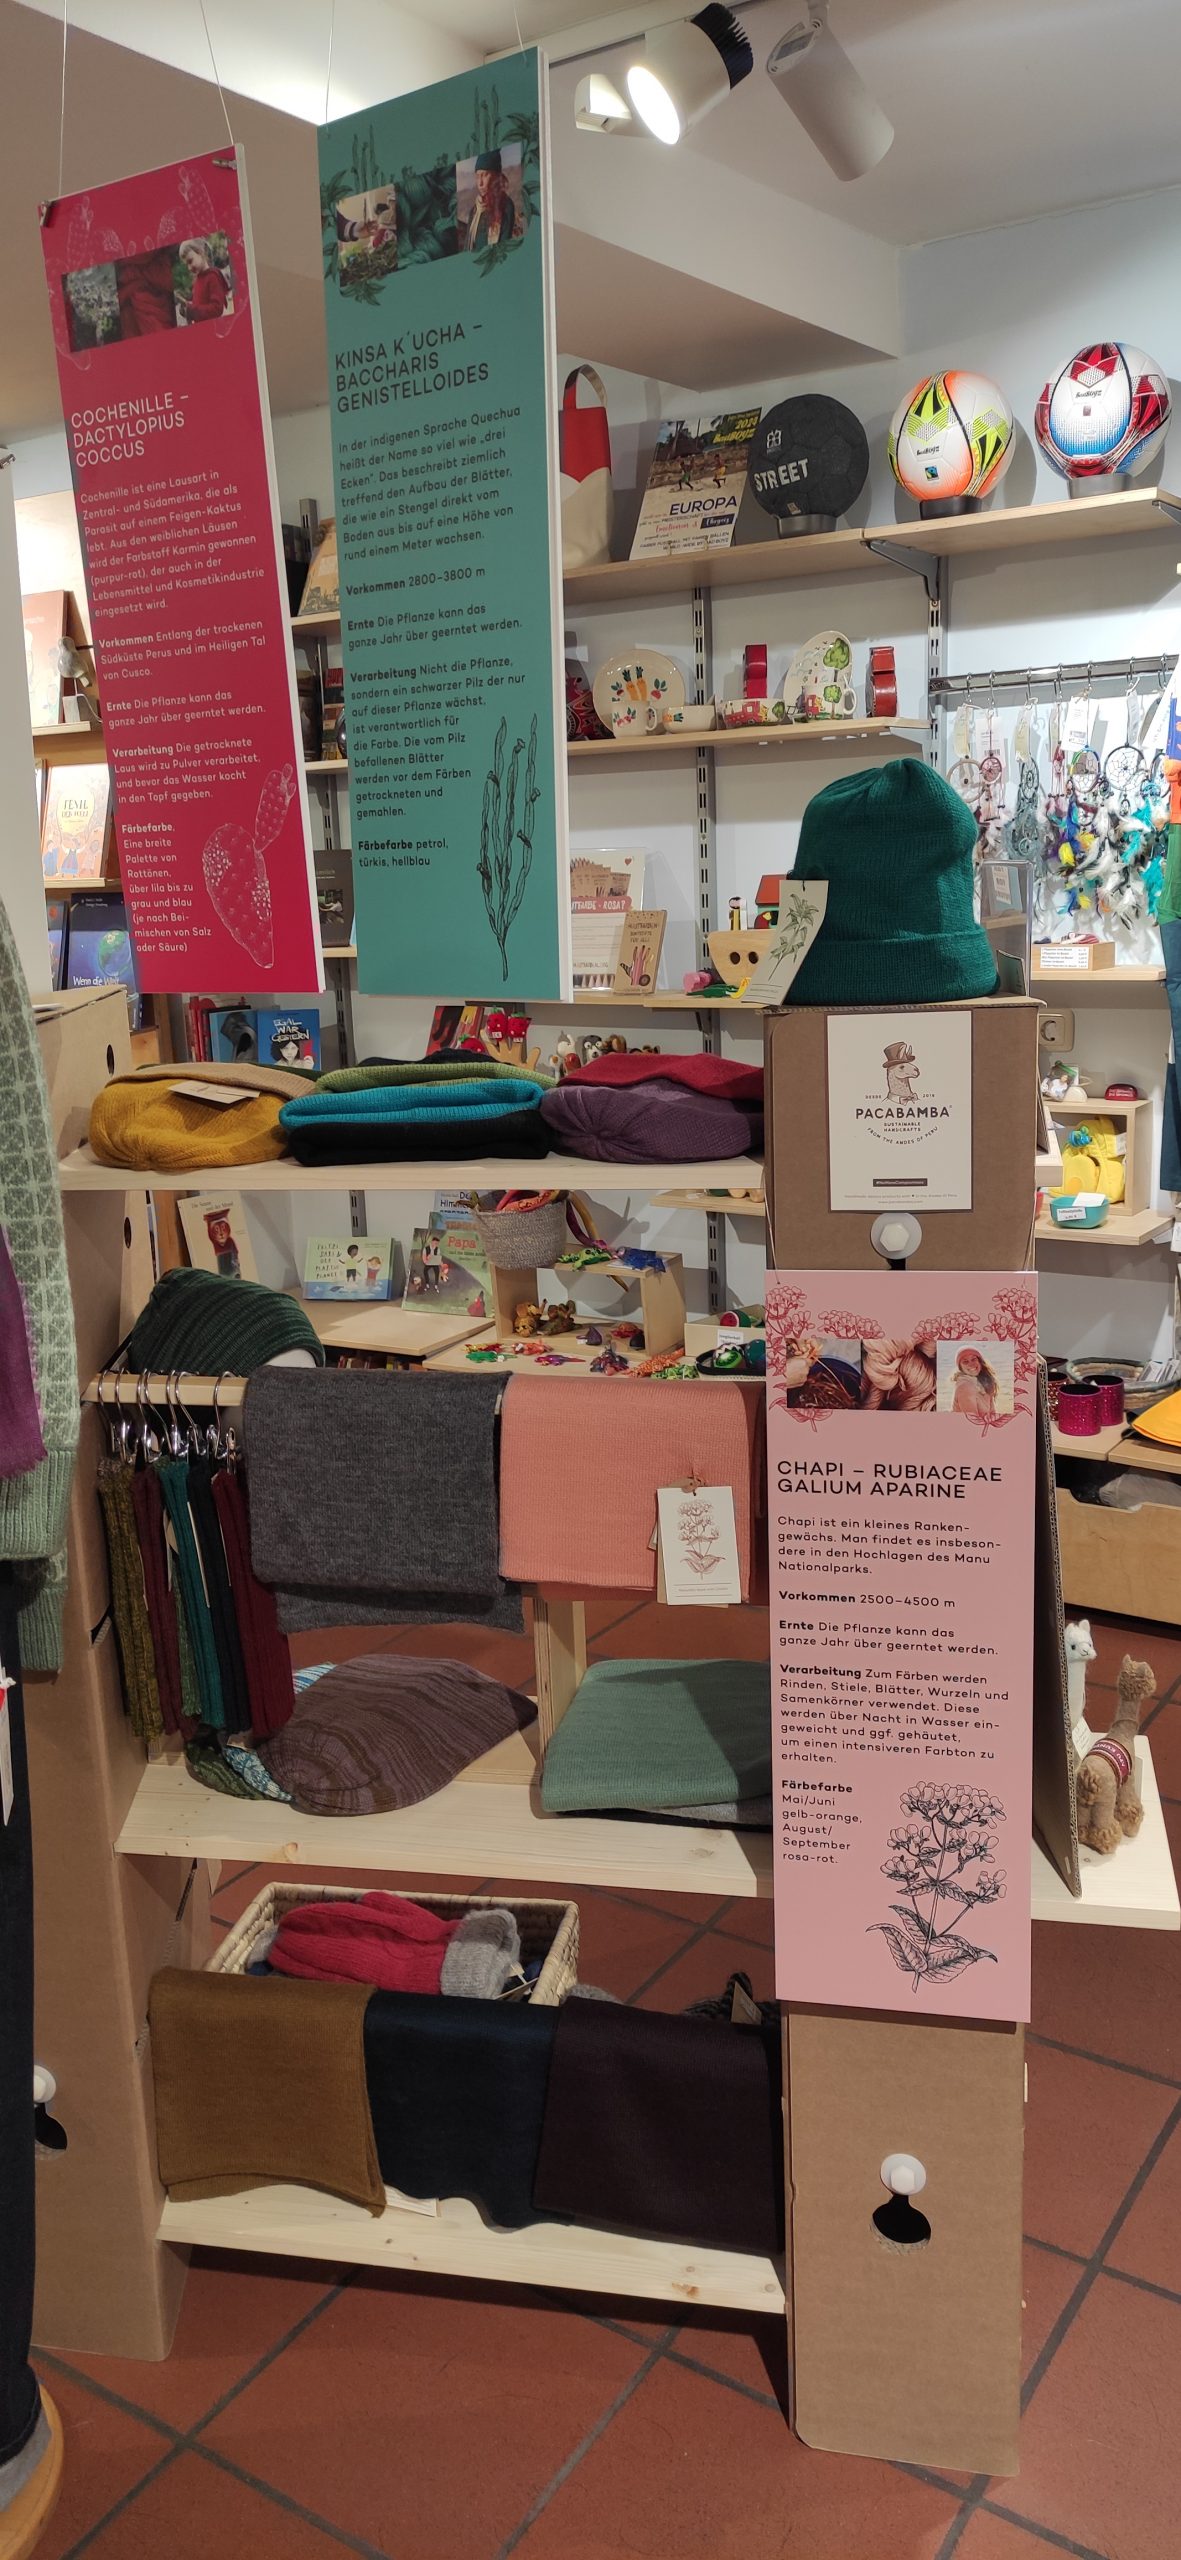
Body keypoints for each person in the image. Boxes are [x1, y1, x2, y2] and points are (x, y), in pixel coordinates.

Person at [464, 151, 520, 251]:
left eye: (485, 175)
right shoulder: (474, 211)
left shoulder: (506, 206)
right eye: (477, 176)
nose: (480, 183)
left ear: (495, 176)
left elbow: (504, 248)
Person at [180, 240, 229, 322]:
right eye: (186, 265)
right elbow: (200, 304)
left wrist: (192, 311)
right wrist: (187, 308)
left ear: (201, 252)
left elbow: (217, 309)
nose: (189, 268)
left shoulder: (212, 277)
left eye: (190, 261)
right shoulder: (197, 279)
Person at [950, 1346, 999, 1420]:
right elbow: (972, 1420)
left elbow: (992, 1413)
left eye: (973, 1359)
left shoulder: (984, 1381)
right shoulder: (965, 1387)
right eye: (965, 1362)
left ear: (980, 1361)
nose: (971, 1364)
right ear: (961, 1368)